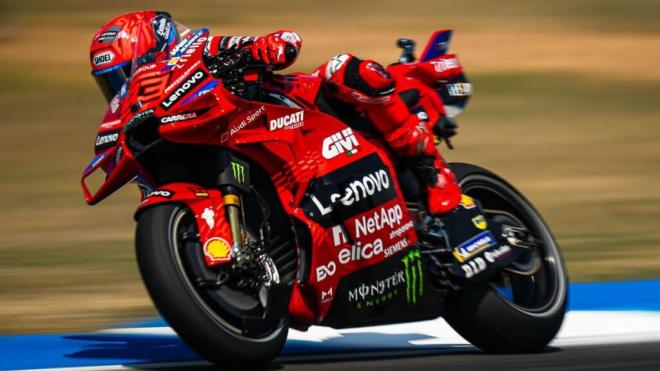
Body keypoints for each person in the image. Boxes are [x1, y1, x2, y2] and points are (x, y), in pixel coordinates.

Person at [89, 10, 461, 215]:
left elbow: (286, 41)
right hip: (247, 149)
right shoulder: (147, 118)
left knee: (345, 69)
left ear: (154, 48)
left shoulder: (203, 50)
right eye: (111, 83)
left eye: (125, 73)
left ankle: (432, 170)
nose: (122, 89)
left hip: (304, 109)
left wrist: (267, 48)